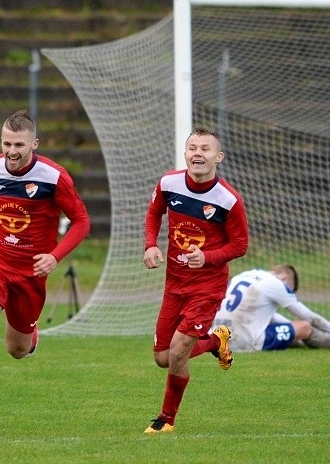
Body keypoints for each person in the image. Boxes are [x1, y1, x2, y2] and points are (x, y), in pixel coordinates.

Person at [0, 109, 91, 434]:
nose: (11, 151)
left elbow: (82, 221)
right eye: (6, 143)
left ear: (34, 143)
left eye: (19, 144)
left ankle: (30, 335)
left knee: (17, 349)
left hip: (30, 274)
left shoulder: (53, 177)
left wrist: (55, 255)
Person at [143, 127, 249, 434]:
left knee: (177, 352)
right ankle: (217, 340)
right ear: (185, 153)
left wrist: (208, 257)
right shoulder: (168, 183)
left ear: (218, 157)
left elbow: (240, 245)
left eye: (205, 149)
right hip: (174, 283)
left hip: (207, 287)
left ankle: (166, 419)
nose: (197, 153)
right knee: (163, 357)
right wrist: (151, 245)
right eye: (192, 148)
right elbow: (153, 214)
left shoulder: (228, 200)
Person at [212, 265, 330, 352]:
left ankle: (304, 340)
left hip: (218, 338)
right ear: (285, 278)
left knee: (296, 330)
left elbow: (267, 317)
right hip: (244, 341)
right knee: (305, 327)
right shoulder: (277, 284)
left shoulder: (247, 274)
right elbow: (309, 317)